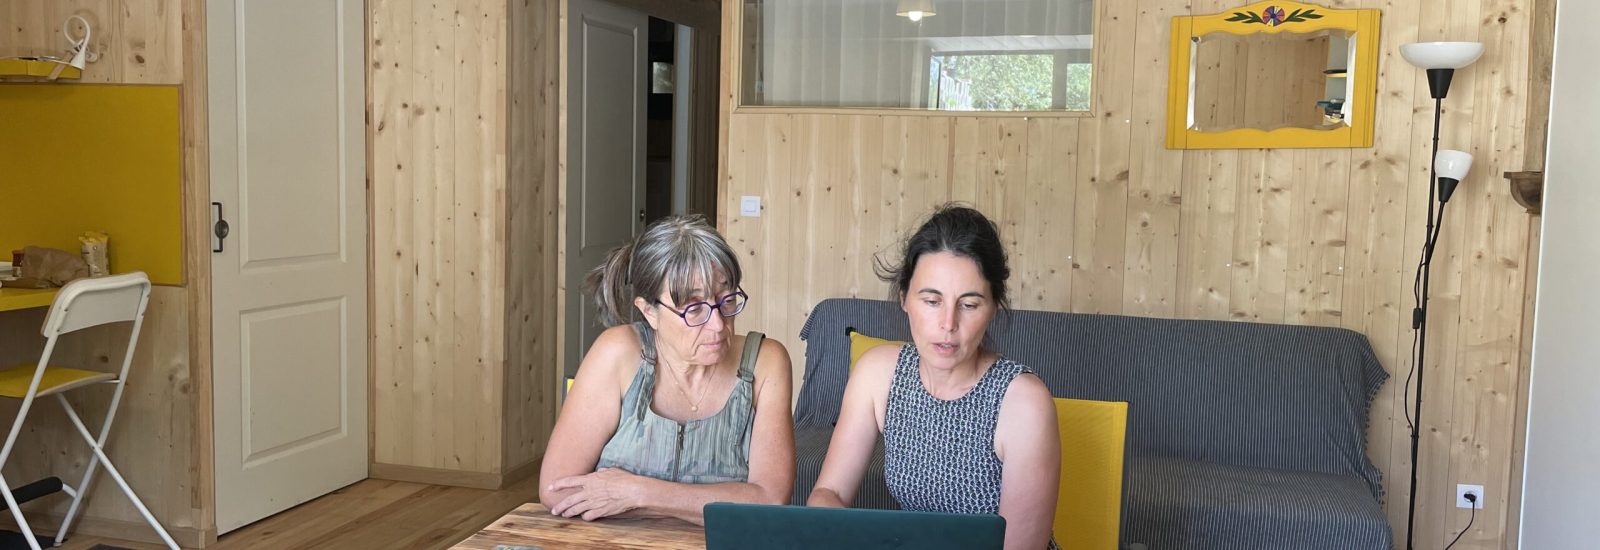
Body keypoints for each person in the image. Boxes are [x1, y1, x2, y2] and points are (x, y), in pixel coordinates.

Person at [807, 204, 1060, 549]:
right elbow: (829, 492)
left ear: (993, 309)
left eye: (969, 305)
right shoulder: (878, 374)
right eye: (931, 300)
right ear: (905, 298)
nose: (948, 324)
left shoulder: (1023, 403)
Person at [539, 215, 795, 524]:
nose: (718, 325)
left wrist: (637, 493)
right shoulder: (617, 355)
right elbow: (557, 489)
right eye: (693, 308)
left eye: (727, 300)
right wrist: (709, 502)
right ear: (650, 313)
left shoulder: (765, 363)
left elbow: (770, 501)